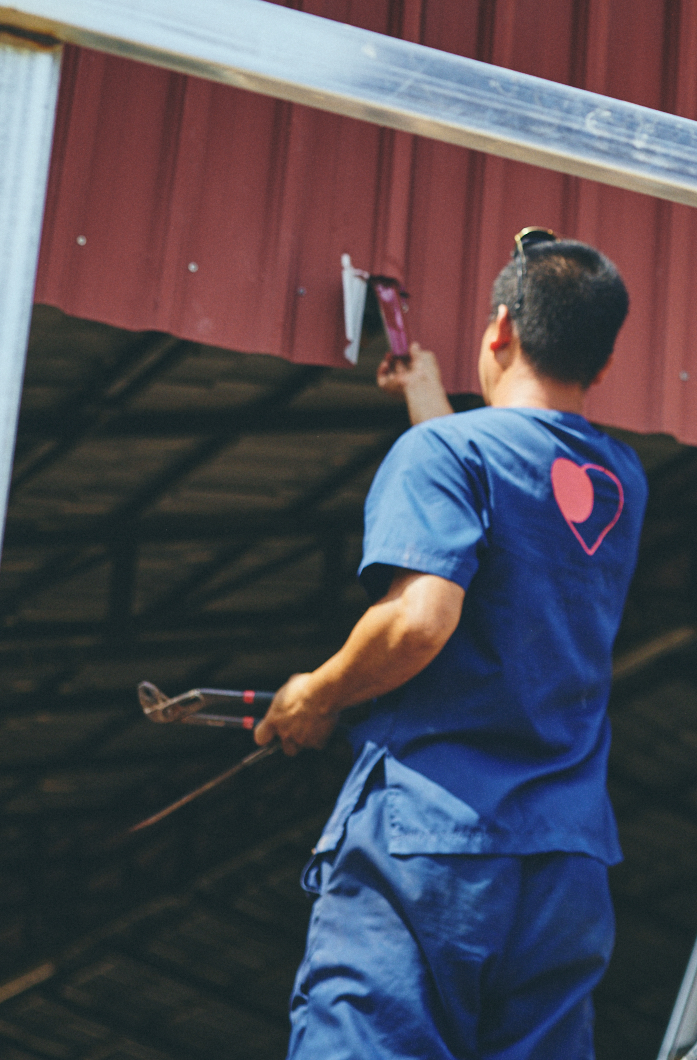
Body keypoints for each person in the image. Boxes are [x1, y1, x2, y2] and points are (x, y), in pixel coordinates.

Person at [256, 228, 646, 1060]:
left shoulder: (443, 454)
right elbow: (509, 508)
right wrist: (428, 398)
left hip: (430, 845)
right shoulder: (620, 483)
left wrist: (316, 694)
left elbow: (422, 618)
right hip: (562, 863)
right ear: (603, 366)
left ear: (499, 329)